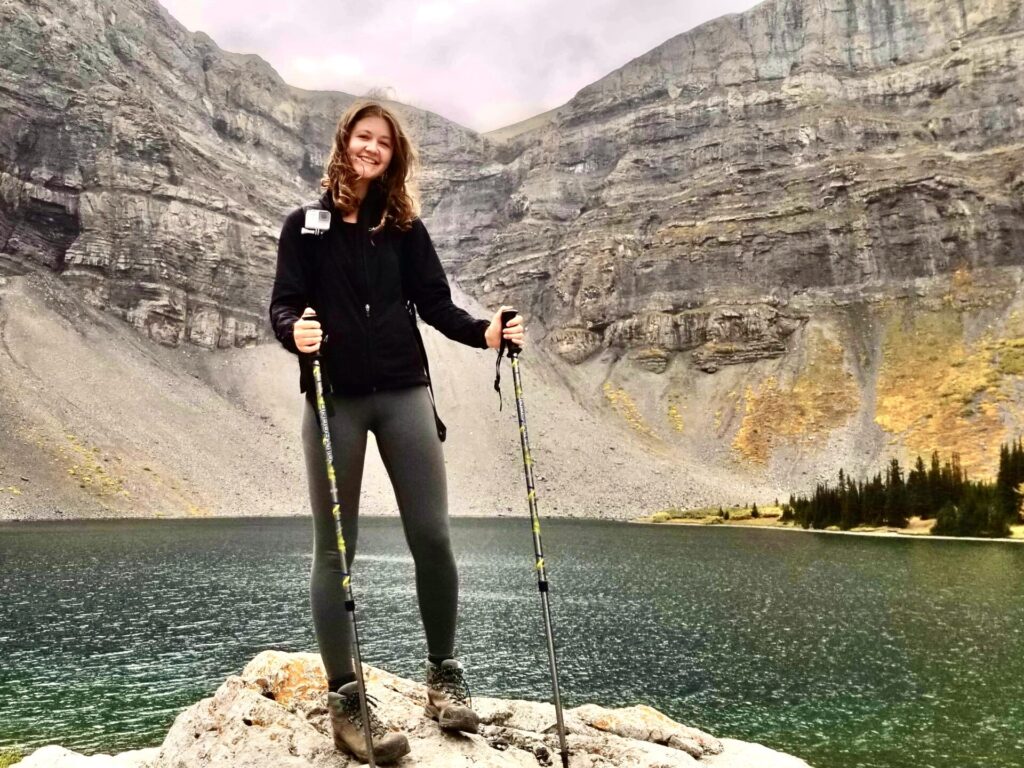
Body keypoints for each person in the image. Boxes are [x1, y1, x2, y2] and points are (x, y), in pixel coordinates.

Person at [269, 101, 525, 764]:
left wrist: (486, 332)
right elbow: (283, 304)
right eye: (363, 137)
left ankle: (442, 674)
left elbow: (436, 304)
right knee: (336, 552)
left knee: (433, 537)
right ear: (345, 143)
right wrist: (293, 331)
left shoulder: (406, 228)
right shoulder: (306, 226)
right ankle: (347, 701)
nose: (372, 149)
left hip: (405, 392)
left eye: (384, 142)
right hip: (335, 400)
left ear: (395, 155)